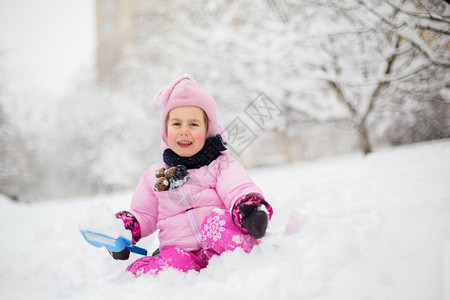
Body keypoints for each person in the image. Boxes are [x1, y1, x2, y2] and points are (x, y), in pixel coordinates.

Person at [111, 74, 273, 277]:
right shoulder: (155, 176)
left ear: (207, 130)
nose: (184, 131)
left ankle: (250, 250)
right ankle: (149, 271)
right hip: (180, 252)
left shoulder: (220, 165)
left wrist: (248, 210)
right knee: (163, 267)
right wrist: (124, 230)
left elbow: (237, 188)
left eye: (194, 125)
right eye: (176, 124)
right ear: (165, 130)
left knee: (216, 223)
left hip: (220, 246)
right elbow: (145, 214)